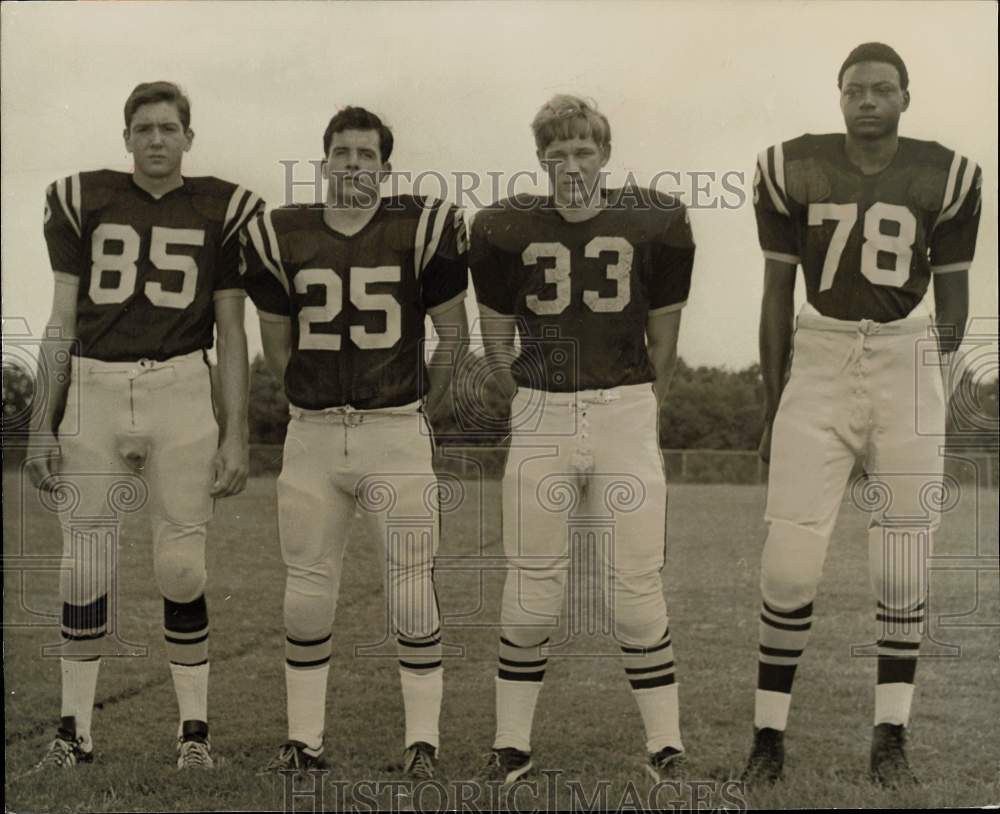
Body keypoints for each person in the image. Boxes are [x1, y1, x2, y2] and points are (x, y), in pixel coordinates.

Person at [744, 42, 981, 787]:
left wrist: (926, 387)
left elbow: (953, 298)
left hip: (906, 359)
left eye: (883, 89)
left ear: (906, 97)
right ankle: (767, 738)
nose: (869, 100)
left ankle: (891, 736)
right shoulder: (792, 166)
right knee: (788, 561)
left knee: (903, 563)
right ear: (839, 95)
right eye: (856, 89)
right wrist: (771, 396)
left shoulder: (950, 173)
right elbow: (777, 292)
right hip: (819, 357)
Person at [27, 81, 262, 770]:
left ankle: (195, 733)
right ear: (125, 135)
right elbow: (60, 322)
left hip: (181, 387)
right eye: (144, 127)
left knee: (183, 565)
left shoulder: (225, 207)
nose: (157, 139)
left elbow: (231, 329)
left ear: (189, 136)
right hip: (95, 388)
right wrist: (42, 423)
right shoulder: (82, 199)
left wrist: (237, 432)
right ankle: (73, 733)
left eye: (169, 127)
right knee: (82, 568)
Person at [468, 94, 695, 785]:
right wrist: (536, 401)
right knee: (533, 586)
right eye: (557, 153)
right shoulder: (503, 227)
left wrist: (628, 398)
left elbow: (665, 337)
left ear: (605, 154)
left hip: (624, 408)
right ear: (541, 158)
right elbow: (495, 338)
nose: (571, 164)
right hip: (542, 413)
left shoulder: (655, 220)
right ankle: (512, 744)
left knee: (635, 588)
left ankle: (665, 746)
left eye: (583, 151)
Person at [240, 106, 469, 785]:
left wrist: (419, 402)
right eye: (341, 152)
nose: (352, 164)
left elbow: (453, 335)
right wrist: (311, 399)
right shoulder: (285, 233)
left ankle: (422, 741)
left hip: (394, 430)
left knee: (410, 591)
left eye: (365, 155)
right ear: (323, 162)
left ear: (384, 167)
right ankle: (302, 740)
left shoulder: (419, 227)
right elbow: (276, 343)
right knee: (307, 589)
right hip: (313, 434)